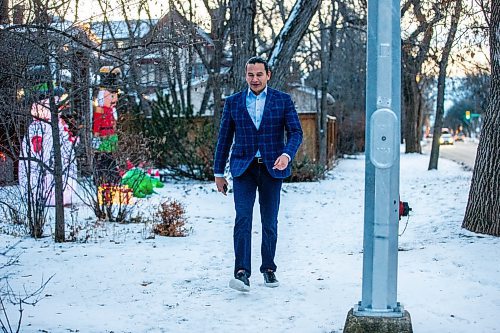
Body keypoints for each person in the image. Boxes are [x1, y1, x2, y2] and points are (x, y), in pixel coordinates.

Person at [214, 56, 303, 292]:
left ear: (268, 75)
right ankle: (242, 272)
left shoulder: (282, 101)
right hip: (243, 168)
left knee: (269, 221)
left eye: (259, 74)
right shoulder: (233, 102)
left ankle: (269, 269)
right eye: (250, 75)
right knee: (242, 218)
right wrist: (218, 172)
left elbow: (296, 132)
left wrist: (287, 155)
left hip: (273, 167)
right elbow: (224, 139)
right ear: (245, 76)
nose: (255, 79)